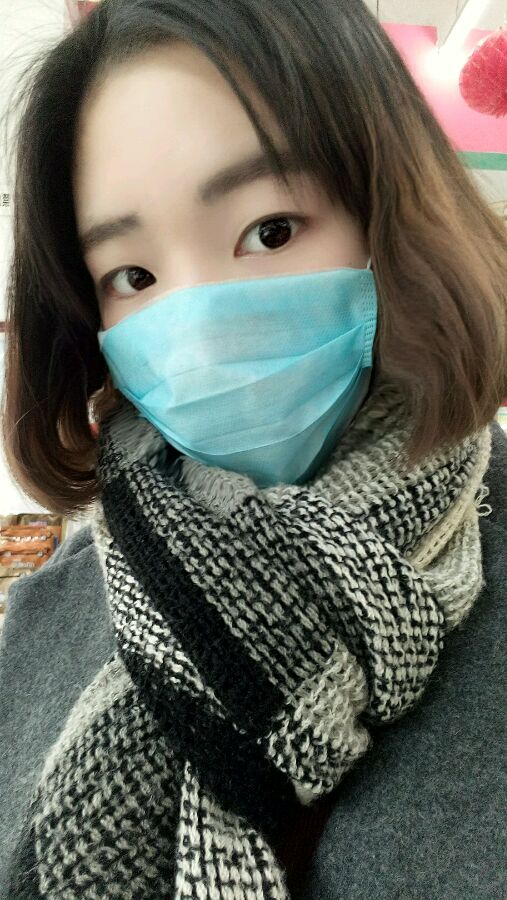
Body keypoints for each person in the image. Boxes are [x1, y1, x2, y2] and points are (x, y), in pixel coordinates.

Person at [1, 1, 506, 897]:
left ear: (389, 216)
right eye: (132, 275)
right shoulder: (47, 613)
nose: (198, 329)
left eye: (270, 229)